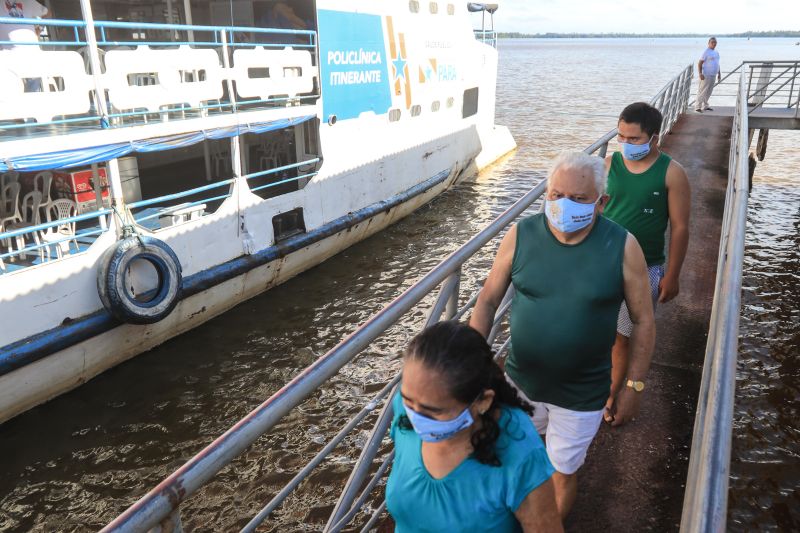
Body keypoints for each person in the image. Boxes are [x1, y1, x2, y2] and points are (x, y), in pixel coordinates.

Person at [469, 152, 656, 519]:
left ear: (602, 203)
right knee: (509, 458)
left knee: (562, 471)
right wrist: (474, 368)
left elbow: (644, 321)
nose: (563, 205)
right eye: (555, 195)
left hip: (582, 396)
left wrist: (633, 387)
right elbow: (487, 301)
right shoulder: (521, 235)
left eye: (579, 198)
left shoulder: (622, 246)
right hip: (520, 384)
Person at [386, 321, 563, 533]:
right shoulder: (406, 410)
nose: (415, 417)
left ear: (483, 402)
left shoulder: (520, 456)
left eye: (433, 411)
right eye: (407, 400)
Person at [602, 103, 691, 425]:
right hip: (603, 261)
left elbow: (680, 227)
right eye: (621, 136)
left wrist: (673, 275)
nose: (626, 143)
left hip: (645, 268)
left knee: (623, 336)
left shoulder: (671, 173)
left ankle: (612, 394)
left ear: (654, 138)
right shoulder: (610, 164)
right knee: (597, 329)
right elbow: (597, 209)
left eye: (634, 138)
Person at [696, 37, 721, 112]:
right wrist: (700, 73)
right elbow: (699, 63)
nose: (714, 43)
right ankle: (697, 107)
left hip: (713, 75)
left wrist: (719, 73)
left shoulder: (716, 52)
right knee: (702, 91)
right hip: (706, 75)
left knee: (709, 91)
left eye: (715, 42)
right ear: (709, 43)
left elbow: (717, 64)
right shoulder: (706, 52)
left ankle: (705, 106)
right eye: (712, 42)